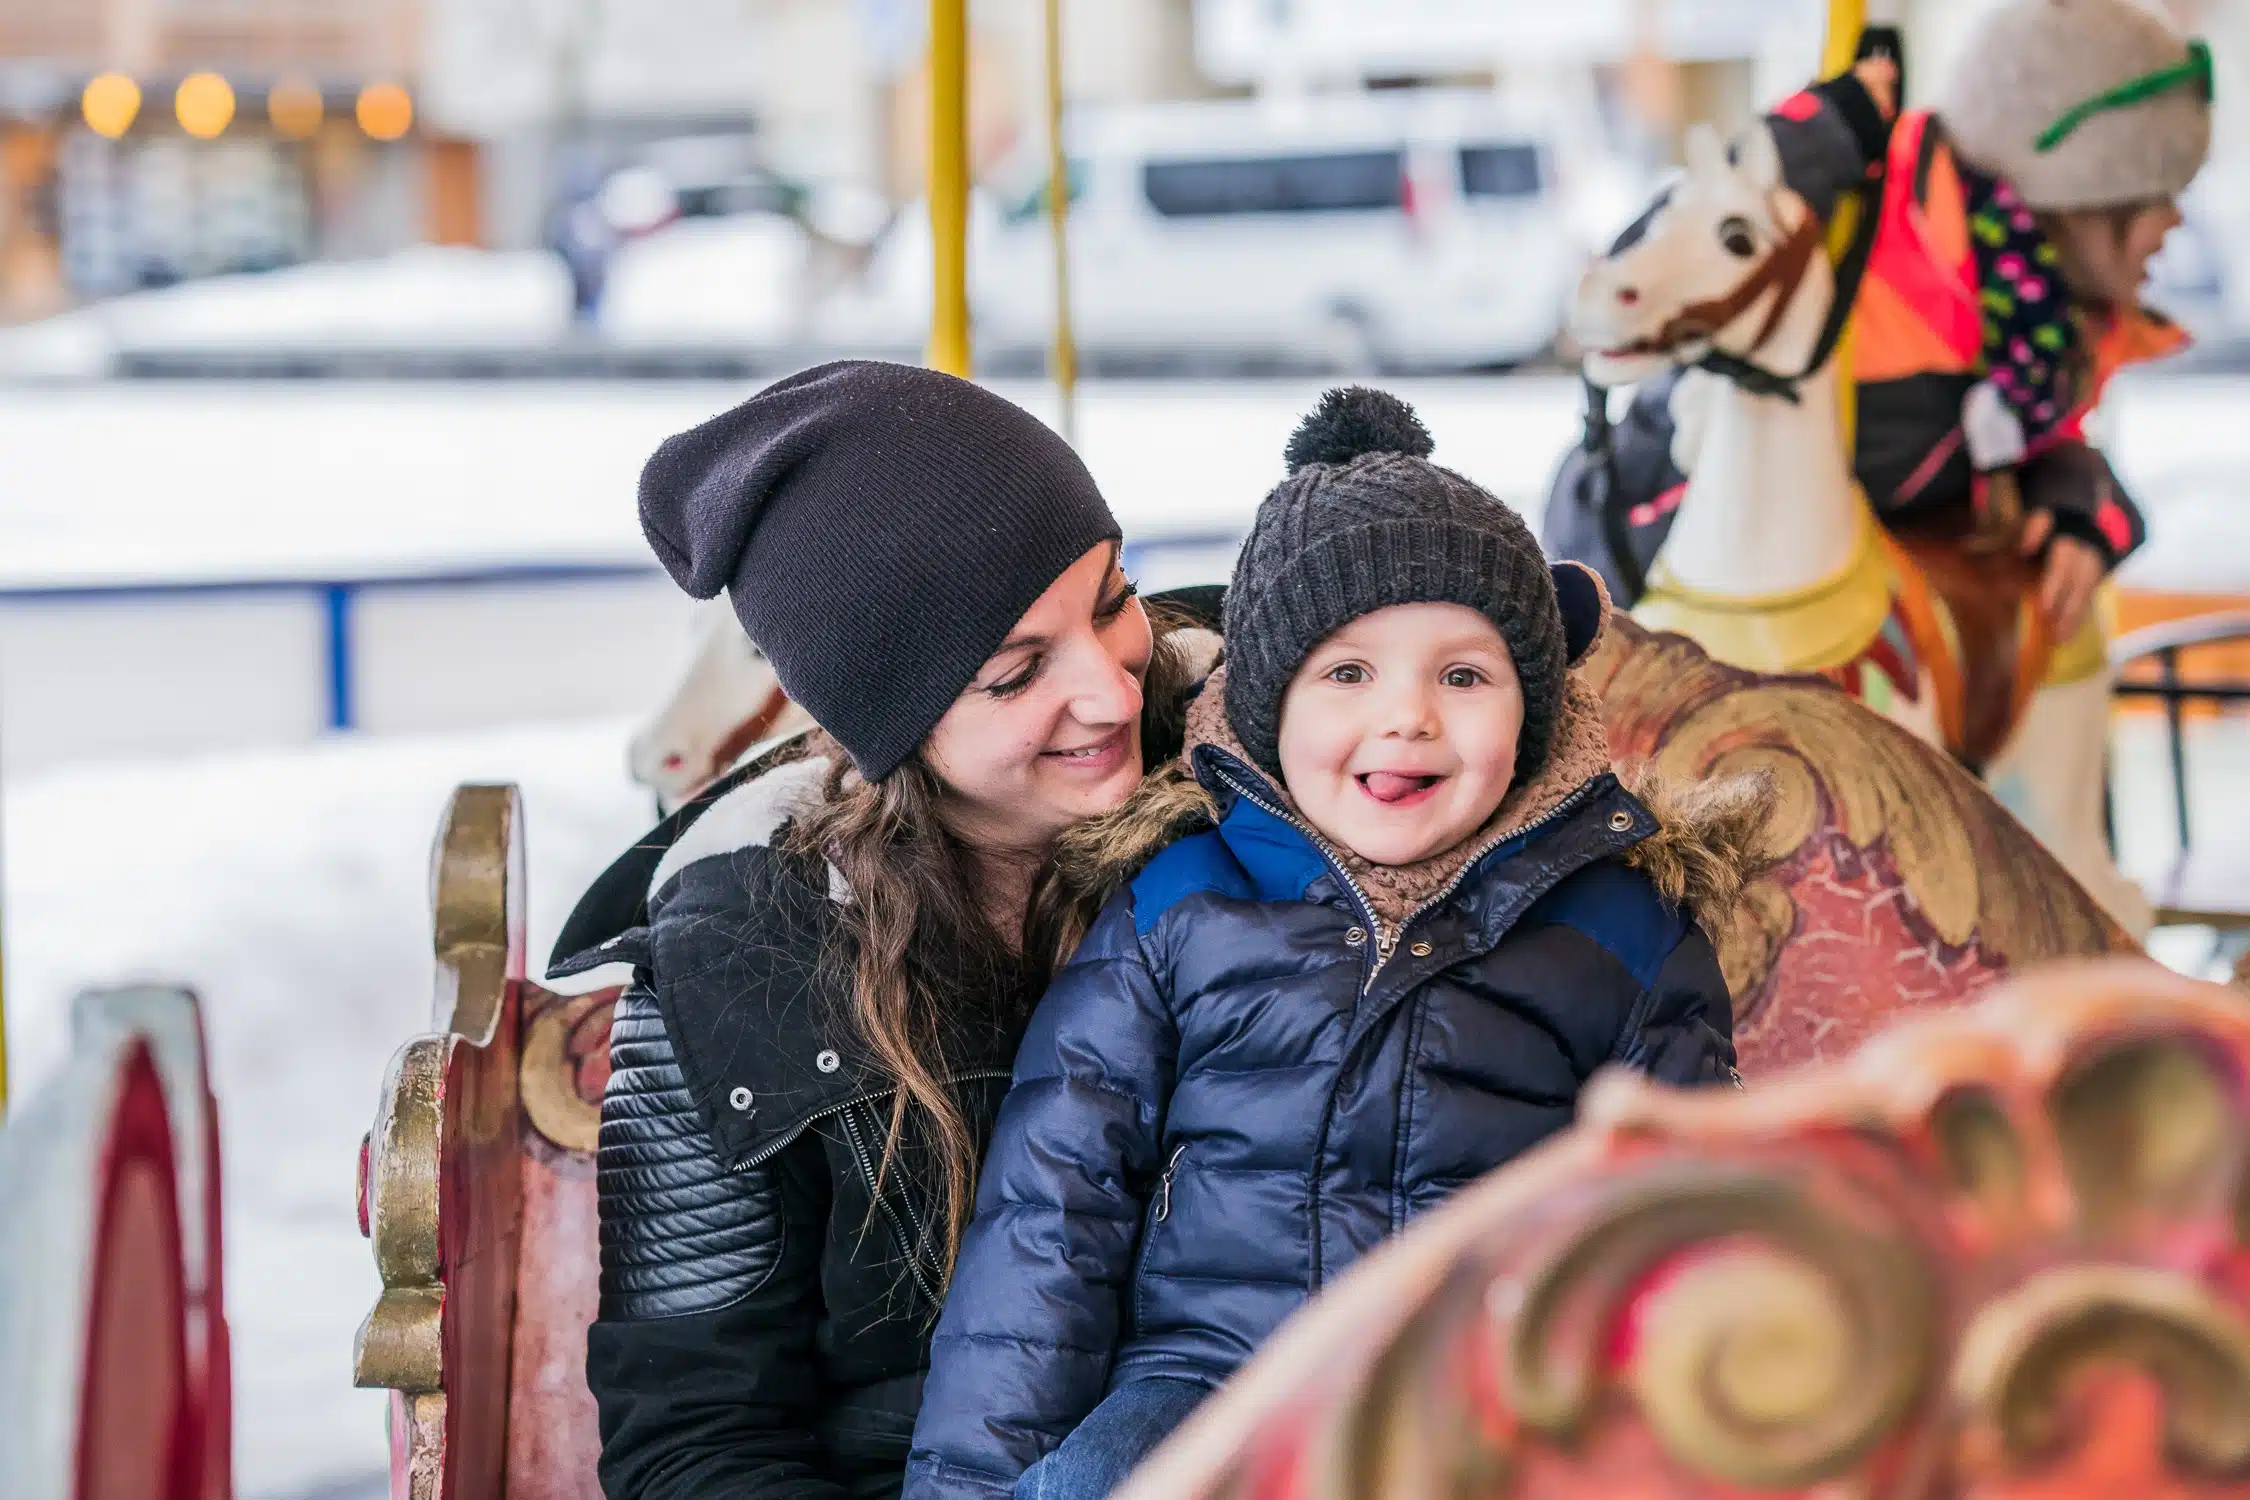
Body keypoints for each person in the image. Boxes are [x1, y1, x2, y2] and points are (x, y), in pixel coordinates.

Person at [905, 389, 1772, 1500]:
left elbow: (1692, 1221)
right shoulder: (1179, 908)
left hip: (1485, 1402)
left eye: (1464, 676)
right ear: (1271, 713)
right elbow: (1051, 1218)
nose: (1407, 717)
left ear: (1535, 714)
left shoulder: (1626, 934)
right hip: (1212, 1383)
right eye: (1348, 674)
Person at [544, 360, 1218, 1500]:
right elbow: (695, 1441)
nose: (1110, 690)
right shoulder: (739, 968)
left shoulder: (1281, 792)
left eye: (1113, 601)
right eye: (1016, 674)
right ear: (883, 720)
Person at [1547, 0, 2212, 658]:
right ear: (2081, 197)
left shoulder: (2035, 335)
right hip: (1653, 600)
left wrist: (2077, 503)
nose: (2175, 221)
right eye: (2160, 196)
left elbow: (2025, 451)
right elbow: (1633, 279)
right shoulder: (1864, 243)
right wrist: (1808, 140)